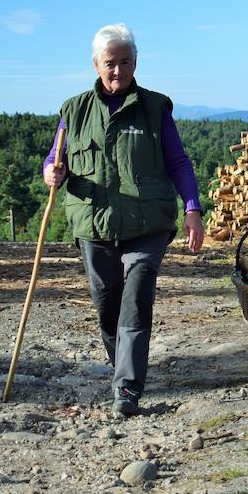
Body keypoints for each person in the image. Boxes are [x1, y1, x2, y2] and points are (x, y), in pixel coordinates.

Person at [43, 23, 205, 418]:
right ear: (96, 64)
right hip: (93, 225)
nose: (118, 71)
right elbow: (55, 157)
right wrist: (51, 171)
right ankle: (123, 369)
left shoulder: (154, 107)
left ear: (136, 63)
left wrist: (192, 208)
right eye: (110, 64)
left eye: (126, 63)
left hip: (147, 224)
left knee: (136, 298)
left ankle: (127, 387)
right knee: (107, 305)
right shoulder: (74, 109)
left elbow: (178, 162)